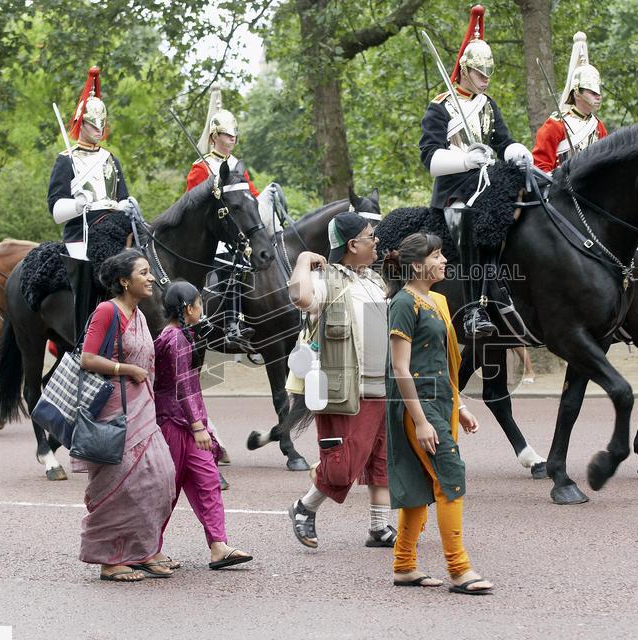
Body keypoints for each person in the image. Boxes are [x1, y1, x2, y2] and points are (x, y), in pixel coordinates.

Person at [384, 231, 493, 594]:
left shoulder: (439, 301)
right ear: (418, 265)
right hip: (419, 404)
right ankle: (459, 570)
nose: (444, 260)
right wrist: (420, 421)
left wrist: (459, 405)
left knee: (420, 485)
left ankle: (403, 566)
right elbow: (400, 368)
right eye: (437, 255)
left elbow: (446, 362)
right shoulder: (404, 303)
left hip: (442, 403)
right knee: (451, 479)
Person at [419, 4, 532, 340]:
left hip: (488, 182)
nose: (485, 79)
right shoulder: (441, 105)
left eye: (488, 74)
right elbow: (430, 158)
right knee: (468, 220)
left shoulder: (488, 105)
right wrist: (467, 160)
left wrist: (517, 152)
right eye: (480, 73)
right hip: (454, 190)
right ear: (464, 70)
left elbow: (504, 142)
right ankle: (471, 311)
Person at [285, 211, 396, 550]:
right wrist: (304, 259)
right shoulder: (326, 281)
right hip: (343, 388)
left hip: (381, 385)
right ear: (352, 244)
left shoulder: (374, 280)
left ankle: (379, 527)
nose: (376, 241)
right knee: (342, 465)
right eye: (370, 236)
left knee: (381, 457)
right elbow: (298, 297)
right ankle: (304, 507)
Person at [78, 249, 176, 582]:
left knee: (159, 478)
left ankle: (142, 550)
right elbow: (87, 359)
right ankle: (111, 560)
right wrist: (126, 368)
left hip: (143, 407)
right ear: (124, 281)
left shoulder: (140, 314)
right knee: (120, 486)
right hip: (114, 412)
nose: (151, 278)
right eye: (144, 272)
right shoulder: (108, 311)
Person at [153, 280, 254, 570]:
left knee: (208, 481)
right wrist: (199, 427)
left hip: (188, 423)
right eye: (199, 303)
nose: (202, 309)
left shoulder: (182, 336)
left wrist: (200, 425)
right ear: (188, 308)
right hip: (174, 424)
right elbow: (184, 388)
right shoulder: (174, 339)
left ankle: (219, 546)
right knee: (167, 492)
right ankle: (150, 548)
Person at [48, 66, 133, 339]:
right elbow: (55, 209)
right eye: (91, 124)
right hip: (81, 234)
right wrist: (77, 203)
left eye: (101, 125)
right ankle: (83, 336)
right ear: (80, 123)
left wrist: (127, 206)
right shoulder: (66, 159)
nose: (97, 130)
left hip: (114, 229)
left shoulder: (110, 159)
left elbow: (121, 197)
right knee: (86, 276)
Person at [185, 84, 260, 347]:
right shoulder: (201, 166)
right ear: (215, 136)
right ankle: (228, 324)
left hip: (237, 232)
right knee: (229, 267)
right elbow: (192, 205)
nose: (232, 140)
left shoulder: (238, 166)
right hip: (212, 233)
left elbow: (252, 196)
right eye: (228, 136)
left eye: (235, 136)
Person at [532, 32, 607, 173]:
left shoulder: (598, 127)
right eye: (592, 92)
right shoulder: (555, 124)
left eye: (598, 92)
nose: (598, 96)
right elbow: (540, 168)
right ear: (577, 93)